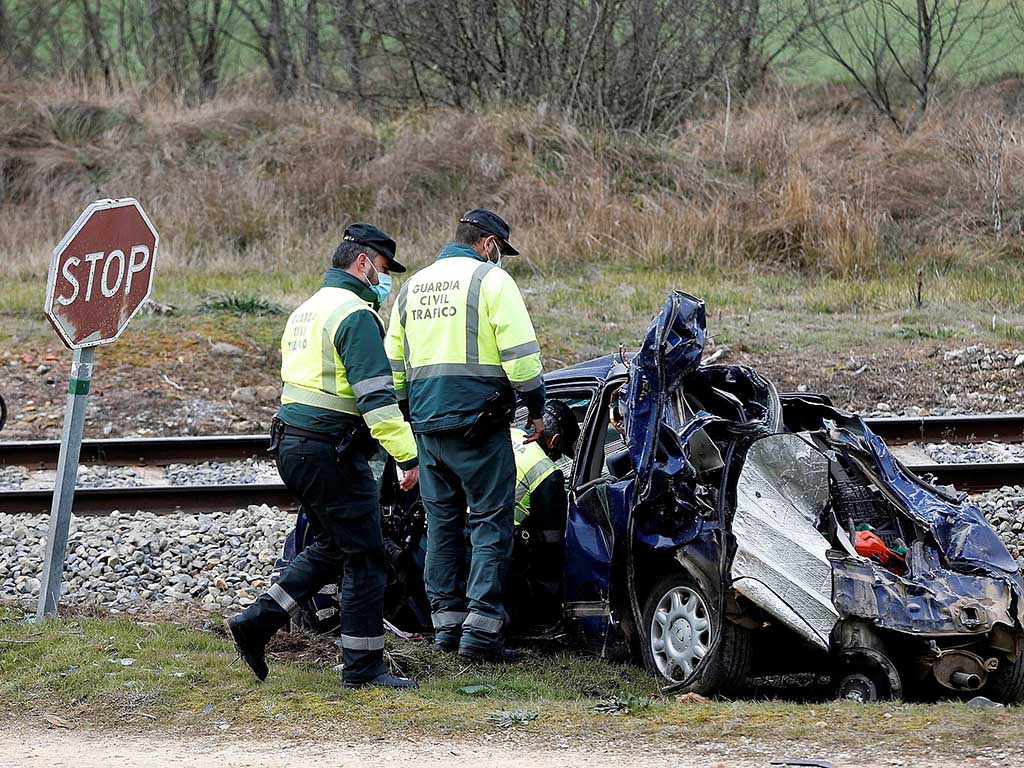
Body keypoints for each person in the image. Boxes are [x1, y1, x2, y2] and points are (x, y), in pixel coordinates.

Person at [226, 223, 420, 690]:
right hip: (330, 451)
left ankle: (257, 622)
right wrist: (407, 456)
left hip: (294, 447)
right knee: (368, 555)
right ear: (362, 264)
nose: (385, 279)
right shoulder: (355, 315)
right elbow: (376, 399)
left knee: (337, 546)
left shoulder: (306, 311)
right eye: (383, 269)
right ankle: (363, 668)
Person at [385, 208, 544, 661]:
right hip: (480, 429)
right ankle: (481, 634)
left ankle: (446, 629)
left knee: (442, 527)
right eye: (500, 251)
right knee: (491, 523)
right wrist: (537, 409)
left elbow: (394, 370)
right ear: (489, 244)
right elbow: (521, 358)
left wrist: (410, 422)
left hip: (428, 432)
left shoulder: (412, 286)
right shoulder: (491, 282)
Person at [506, 400, 579, 625]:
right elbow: (551, 545)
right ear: (554, 441)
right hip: (500, 553)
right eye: (560, 452)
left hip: (459, 536)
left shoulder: (509, 434)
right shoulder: (547, 472)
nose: (557, 458)